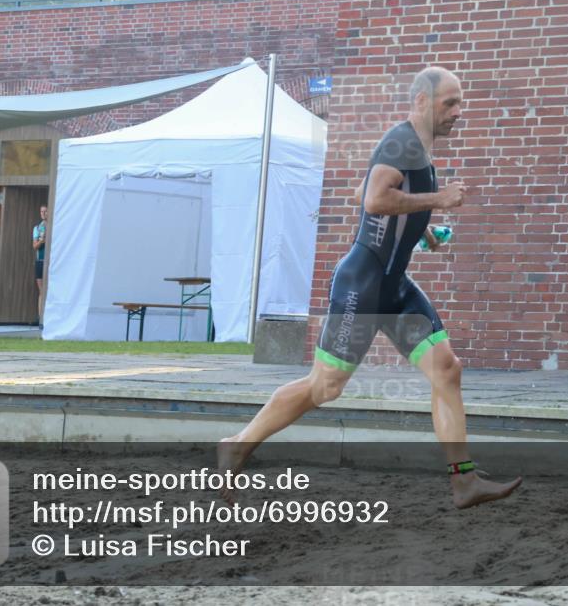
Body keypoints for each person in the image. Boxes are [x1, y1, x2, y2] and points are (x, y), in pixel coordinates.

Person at [218, 67, 522, 509]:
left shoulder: (414, 146)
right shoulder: (402, 141)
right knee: (325, 388)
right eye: (449, 103)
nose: (459, 111)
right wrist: (439, 200)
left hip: (394, 287)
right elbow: (374, 199)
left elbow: (370, 186)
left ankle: (464, 482)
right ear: (421, 101)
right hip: (363, 285)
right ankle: (238, 444)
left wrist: (424, 232)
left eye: (460, 102)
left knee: (446, 370)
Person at [32, 205, 47, 325]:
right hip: (40, 261)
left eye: (45, 211)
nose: (43, 213)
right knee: (42, 291)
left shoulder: (54, 225)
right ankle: (40, 317)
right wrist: (42, 241)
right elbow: (35, 246)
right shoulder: (37, 228)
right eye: (41, 211)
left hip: (52, 262)